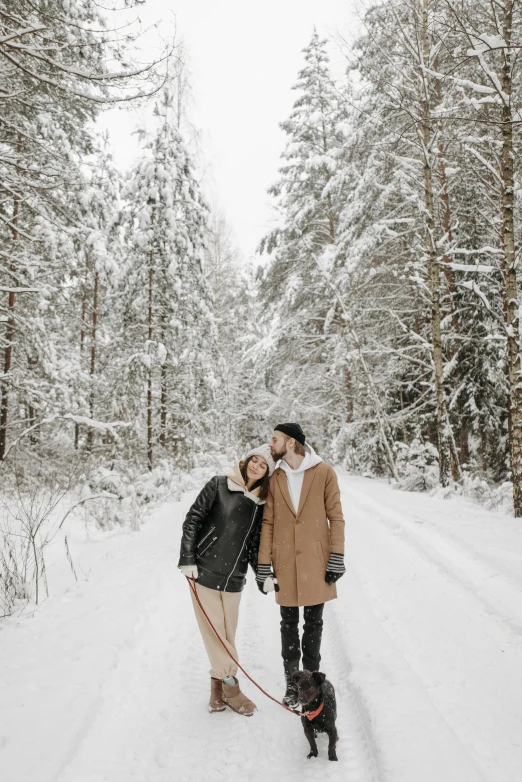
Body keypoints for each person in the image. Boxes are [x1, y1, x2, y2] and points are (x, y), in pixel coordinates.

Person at [178, 444, 276, 716]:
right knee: (214, 635)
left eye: (263, 465)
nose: (256, 466)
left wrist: (263, 575)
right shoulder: (219, 484)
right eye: (254, 460)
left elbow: (255, 545)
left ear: (267, 472)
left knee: (227, 636)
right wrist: (187, 558)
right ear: (246, 461)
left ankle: (216, 692)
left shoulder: (260, 503)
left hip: (235, 579)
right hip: (204, 572)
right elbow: (192, 519)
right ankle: (231, 687)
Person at [256, 423, 345, 709]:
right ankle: (293, 687)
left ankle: (311, 686)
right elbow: (268, 522)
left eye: (275, 439)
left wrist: (336, 556)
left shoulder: (324, 472)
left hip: (316, 563)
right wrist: (263, 565)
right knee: (288, 625)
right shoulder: (276, 477)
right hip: (285, 563)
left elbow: (336, 517)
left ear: (291, 443)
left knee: (314, 624)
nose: (271, 444)